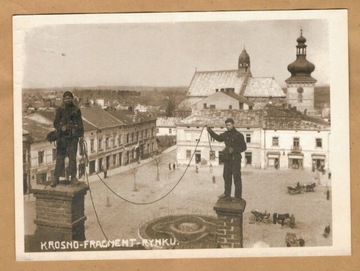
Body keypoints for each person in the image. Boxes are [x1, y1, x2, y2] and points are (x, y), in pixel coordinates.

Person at [207, 118, 247, 202]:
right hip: (227, 160)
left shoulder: (239, 135)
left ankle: (238, 197)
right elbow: (218, 138)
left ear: (233, 124)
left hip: (235, 160)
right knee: (226, 177)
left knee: (236, 178)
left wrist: (234, 149)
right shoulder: (226, 134)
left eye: (229, 125)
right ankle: (227, 194)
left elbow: (244, 147)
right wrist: (210, 131)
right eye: (227, 125)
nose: (228, 127)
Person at [51, 91, 84, 187]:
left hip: (73, 138)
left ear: (72, 99)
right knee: (60, 158)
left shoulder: (76, 110)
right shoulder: (60, 110)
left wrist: (80, 135)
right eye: (66, 98)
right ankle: (56, 178)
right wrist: (61, 128)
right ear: (63, 99)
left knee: (72, 158)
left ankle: (73, 177)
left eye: (69, 98)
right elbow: (55, 123)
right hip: (62, 138)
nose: (68, 100)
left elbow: (80, 124)